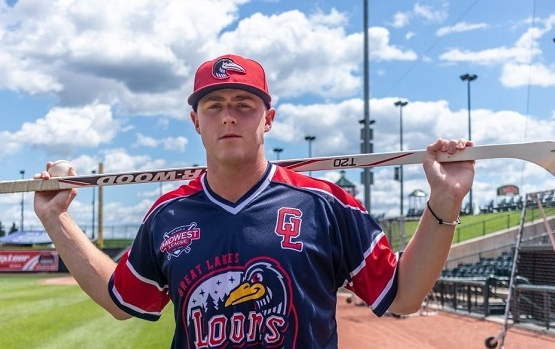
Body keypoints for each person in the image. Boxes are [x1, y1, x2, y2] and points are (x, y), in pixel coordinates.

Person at [34, 53, 475, 348]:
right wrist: (57, 220)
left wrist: (446, 199)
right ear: (195, 122)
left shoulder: (325, 204)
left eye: (244, 103)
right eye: (214, 105)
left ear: (268, 119)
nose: (228, 114)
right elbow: (121, 301)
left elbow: (402, 296)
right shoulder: (168, 216)